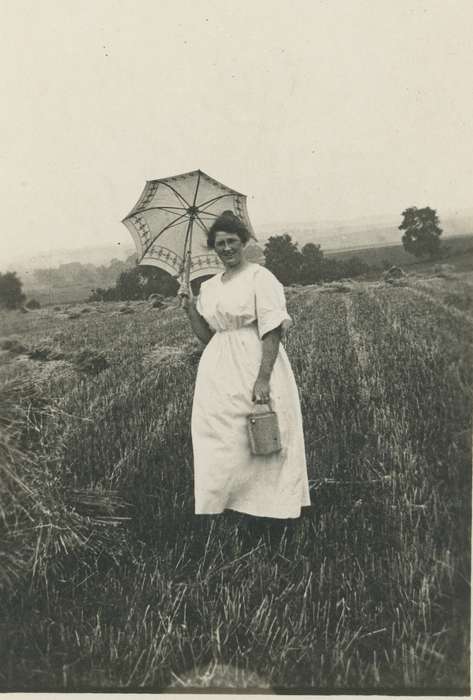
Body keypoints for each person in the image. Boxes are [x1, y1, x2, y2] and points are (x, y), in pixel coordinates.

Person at [179, 211, 311, 530]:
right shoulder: (209, 287)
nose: (226, 248)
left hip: (254, 362)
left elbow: (272, 329)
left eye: (232, 241)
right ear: (213, 247)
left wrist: (263, 378)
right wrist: (188, 306)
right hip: (217, 370)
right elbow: (208, 336)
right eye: (220, 243)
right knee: (221, 439)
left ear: (244, 243)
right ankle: (231, 506)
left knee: (262, 437)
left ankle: (273, 512)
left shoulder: (260, 277)